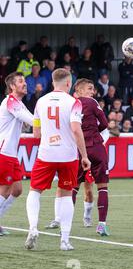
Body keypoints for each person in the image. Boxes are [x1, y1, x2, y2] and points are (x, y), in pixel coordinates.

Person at [25, 68, 91, 251]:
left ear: (53, 82)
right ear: (68, 83)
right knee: (66, 193)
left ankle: (33, 228)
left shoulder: (40, 101)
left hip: (46, 153)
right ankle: (64, 240)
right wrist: (84, 156)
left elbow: (36, 133)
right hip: (68, 155)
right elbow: (77, 130)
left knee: (34, 191)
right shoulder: (74, 102)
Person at [45, 79, 110, 236]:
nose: (92, 92)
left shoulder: (70, 103)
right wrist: (94, 130)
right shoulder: (92, 102)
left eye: (92, 89)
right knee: (102, 187)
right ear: (79, 91)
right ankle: (101, 224)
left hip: (78, 149)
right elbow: (105, 123)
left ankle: (64, 224)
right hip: (96, 146)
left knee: (72, 187)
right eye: (89, 88)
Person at [0, 72, 34, 235]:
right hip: (3, 151)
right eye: (21, 81)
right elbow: (30, 119)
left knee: (17, 189)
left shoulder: (19, 103)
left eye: (25, 81)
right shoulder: (11, 102)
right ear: (12, 86)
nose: (25, 83)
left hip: (11, 153)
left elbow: (29, 119)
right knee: (5, 189)